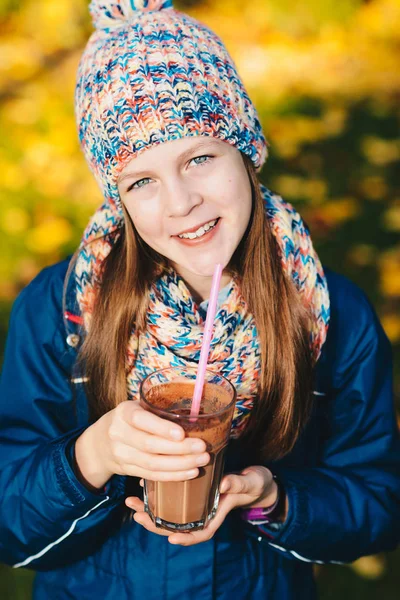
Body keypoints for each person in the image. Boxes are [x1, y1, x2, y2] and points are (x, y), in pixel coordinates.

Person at [0, 1, 399, 598]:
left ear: (247, 151)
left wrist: (277, 498)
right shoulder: (62, 312)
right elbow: (11, 530)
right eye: (143, 181)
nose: (181, 202)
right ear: (119, 201)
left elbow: (376, 499)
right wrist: (91, 455)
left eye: (200, 157)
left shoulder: (328, 311)